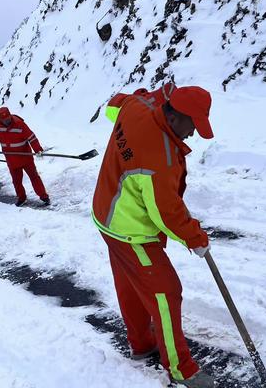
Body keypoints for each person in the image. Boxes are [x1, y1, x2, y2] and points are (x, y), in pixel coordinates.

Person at [92, 86, 215, 387]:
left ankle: (141, 344)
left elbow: (113, 106)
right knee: (165, 291)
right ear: (174, 118)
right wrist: (195, 238)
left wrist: (154, 96)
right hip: (130, 229)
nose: (193, 134)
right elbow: (167, 212)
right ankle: (179, 367)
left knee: (132, 283)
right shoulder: (160, 158)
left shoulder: (136, 105)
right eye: (192, 126)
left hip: (106, 212)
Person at [0, 107, 49, 206]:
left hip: (25, 157)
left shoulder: (19, 124)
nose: (7, 121)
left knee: (34, 177)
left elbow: (31, 137)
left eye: (8, 118)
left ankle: (44, 196)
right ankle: (21, 198)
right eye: (4, 120)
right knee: (16, 181)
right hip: (11, 159)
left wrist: (38, 149)